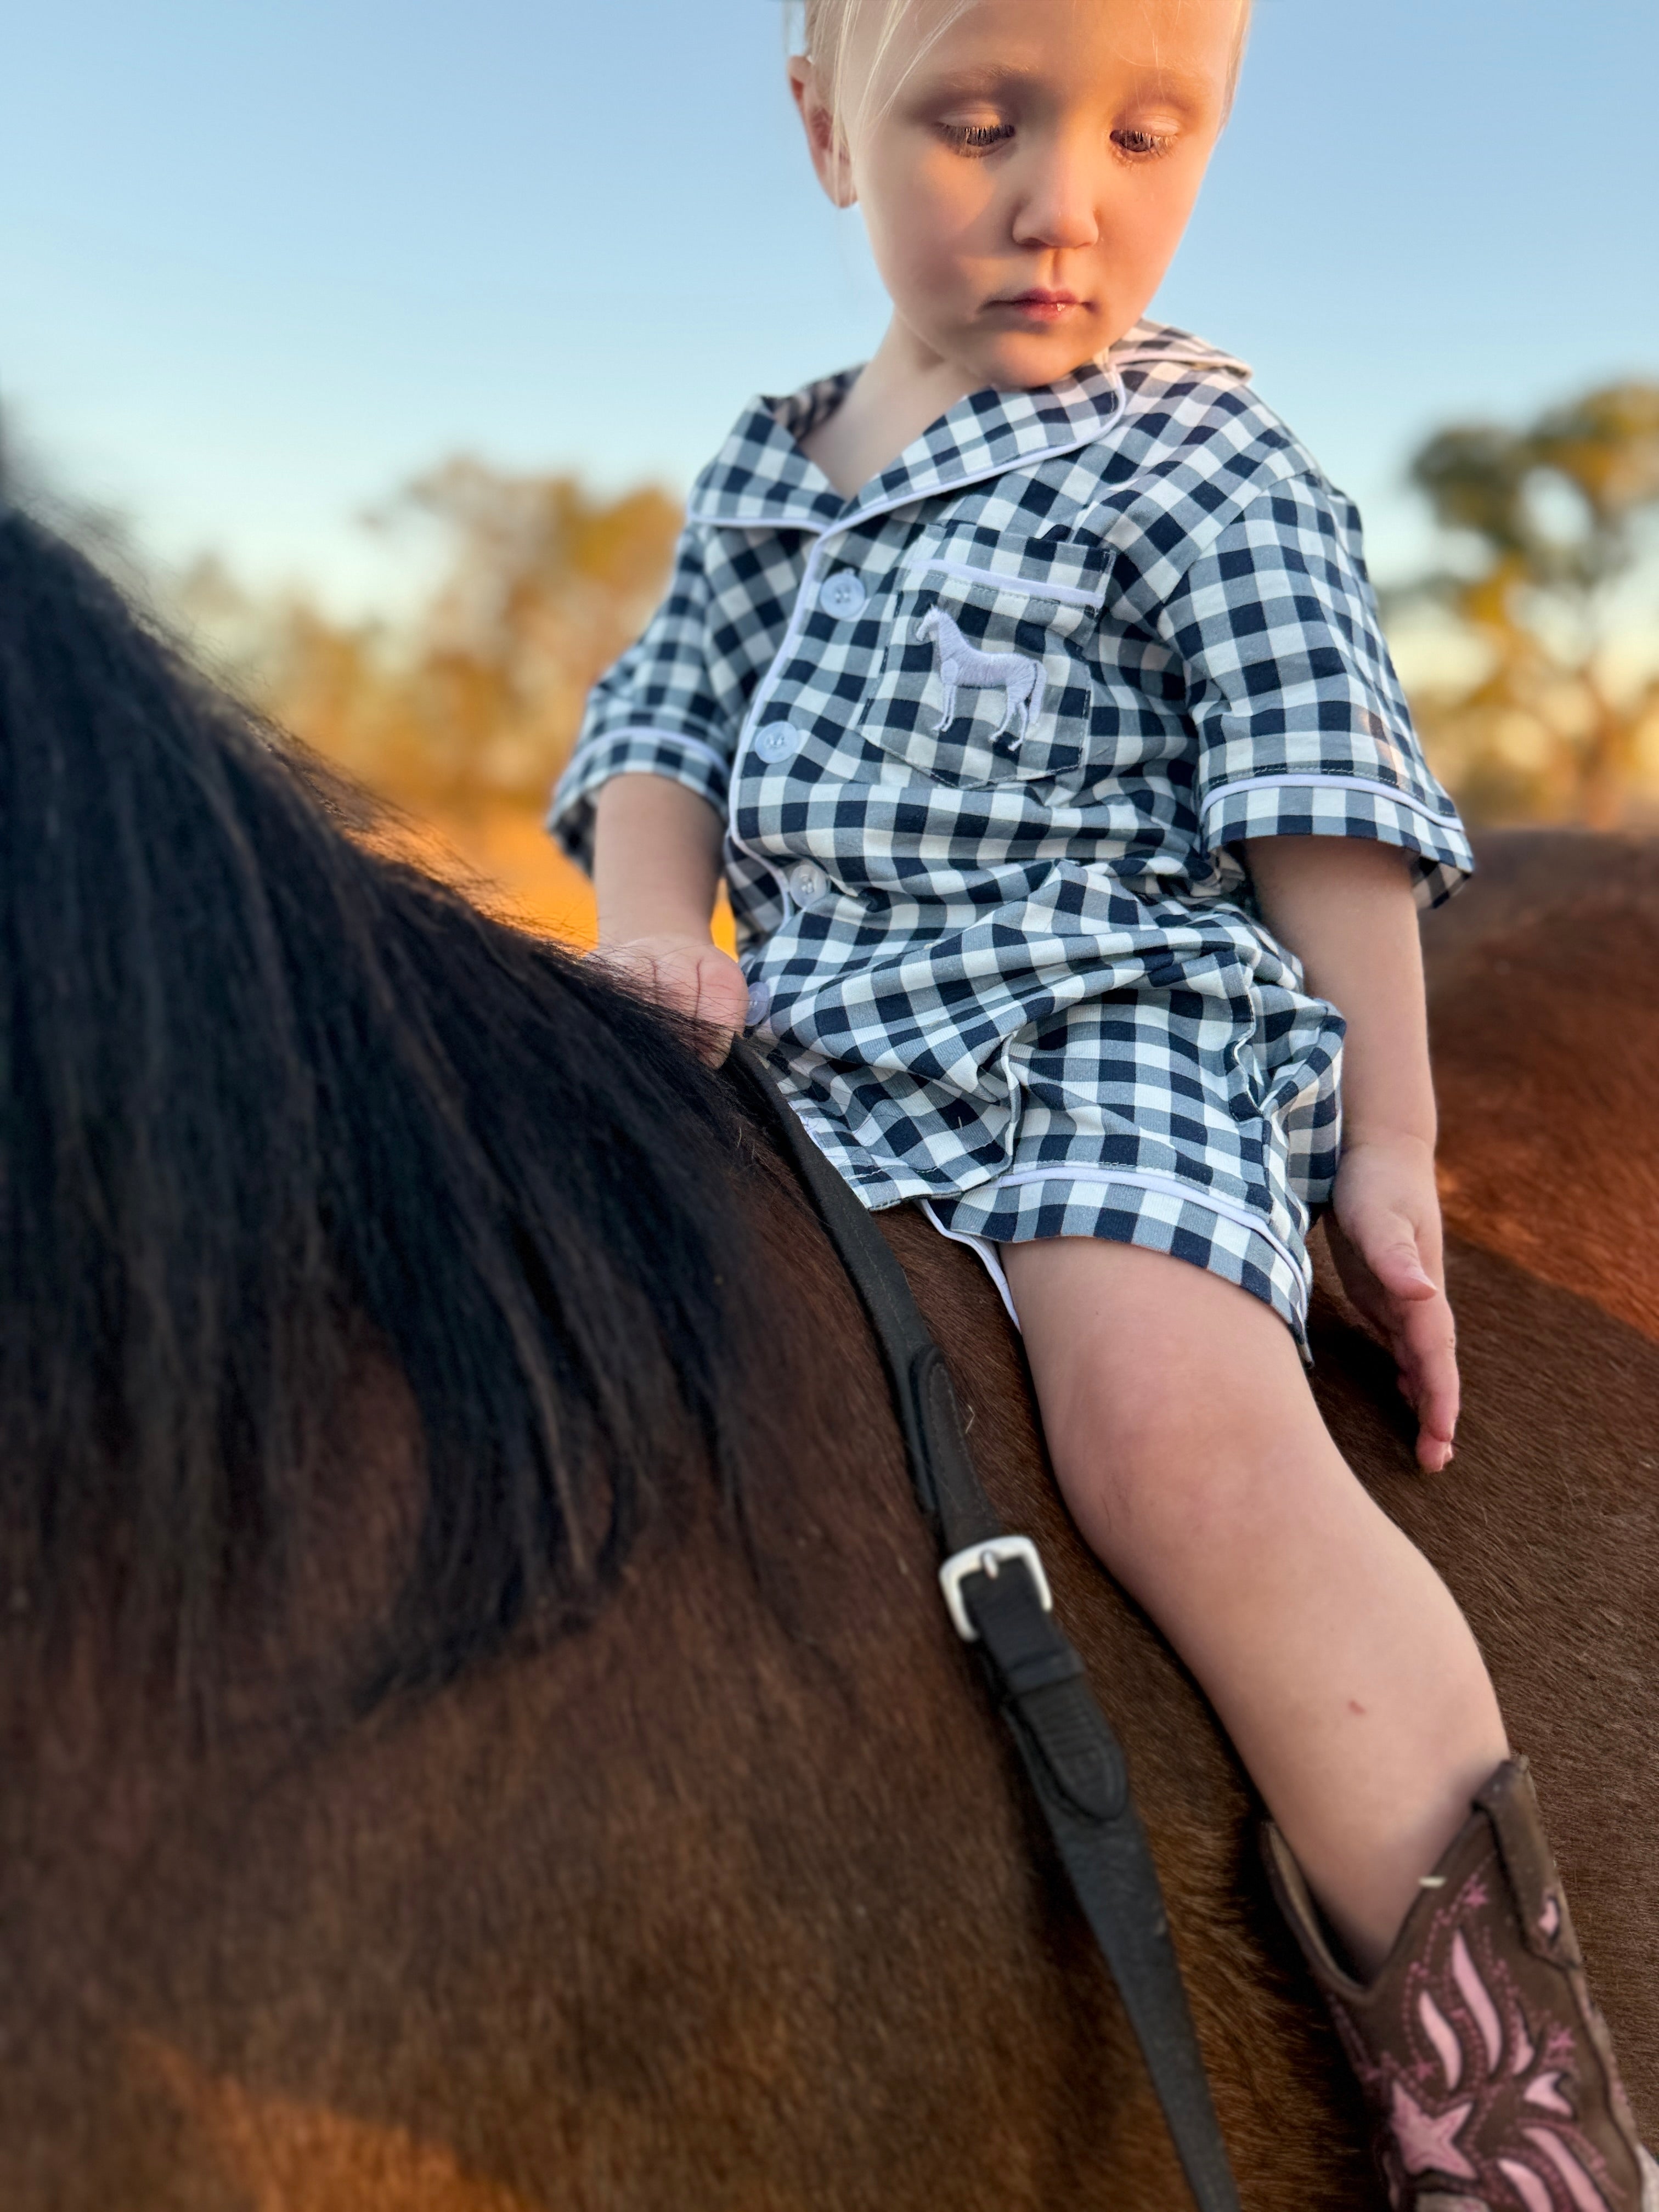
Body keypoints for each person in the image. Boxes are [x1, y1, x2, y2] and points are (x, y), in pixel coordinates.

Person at [549, 3, 1655, 2200]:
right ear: (823, 130)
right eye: (984, 120)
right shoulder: (784, 462)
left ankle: (1514, 2112)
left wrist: (1390, 1155)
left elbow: (1319, 817)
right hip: (815, 1046)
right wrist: (655, 934)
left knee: (1182, 1449)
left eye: (1151, 132)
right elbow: (659, 732)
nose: (1070, 199)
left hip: (1098, 1031)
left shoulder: (1201, 462)